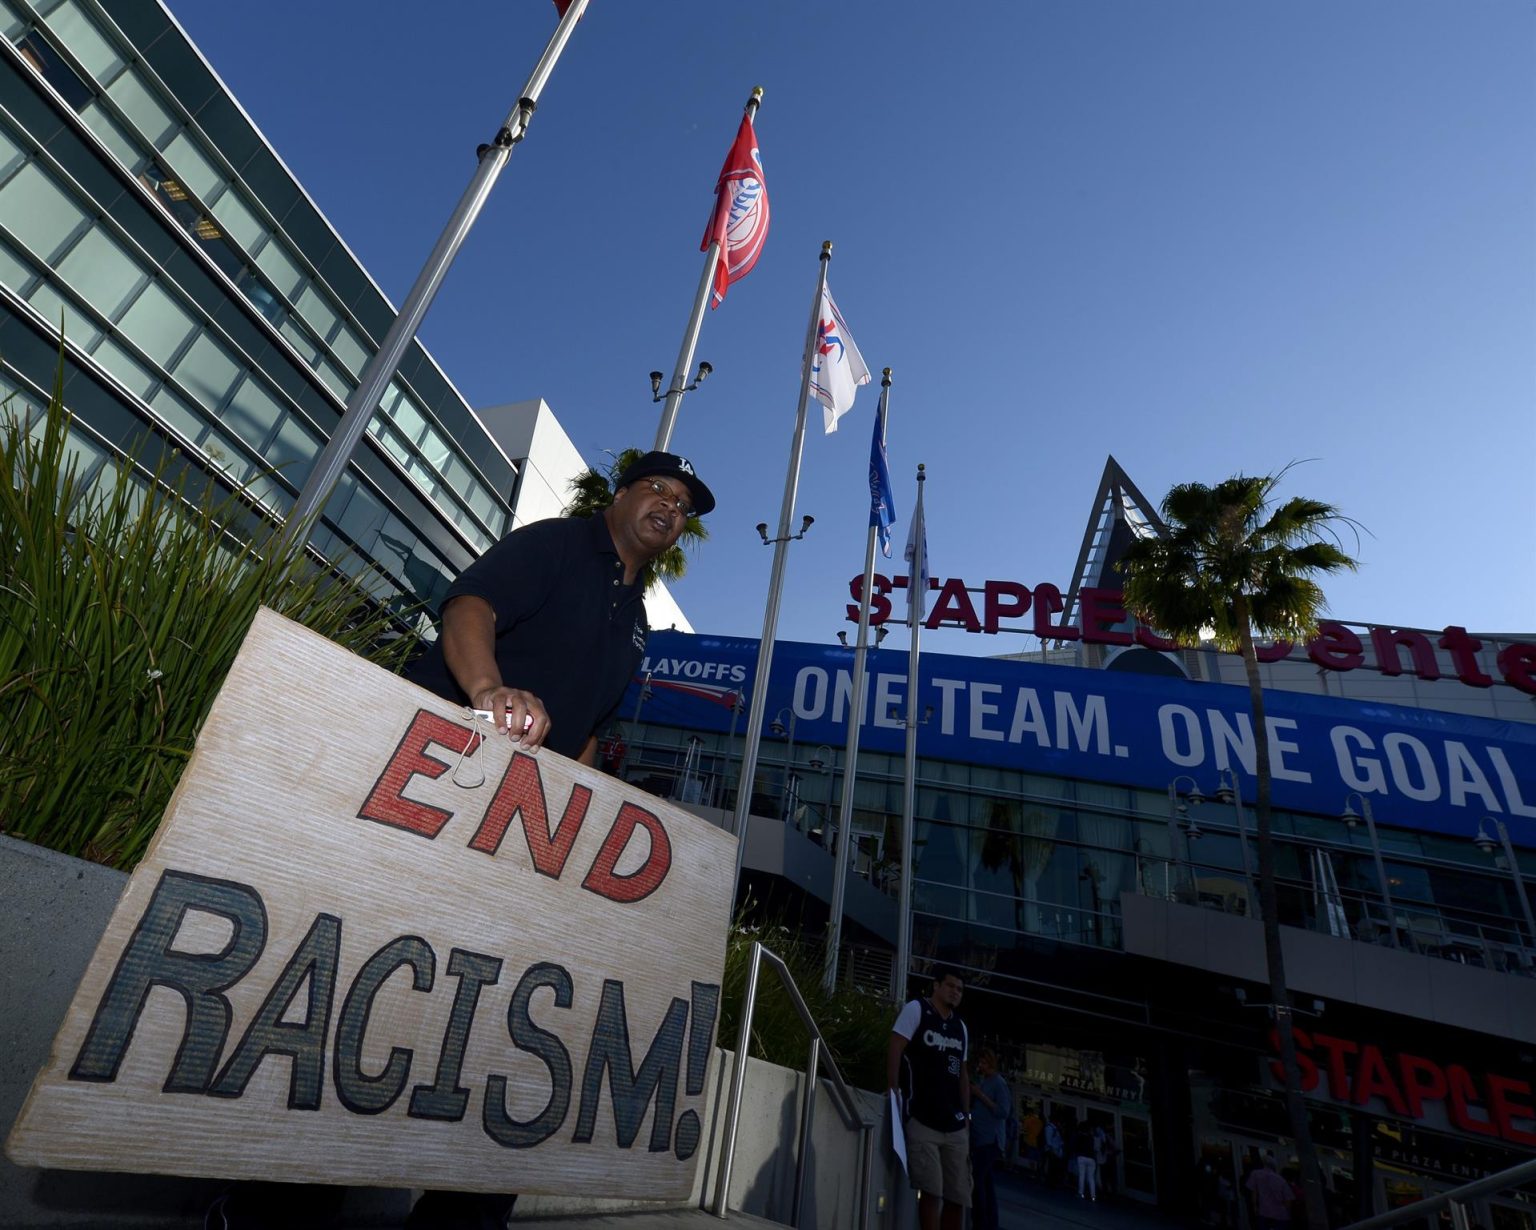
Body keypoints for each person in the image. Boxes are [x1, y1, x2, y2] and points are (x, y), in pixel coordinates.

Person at [208, 453, 713, 1230]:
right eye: (656, 489)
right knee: (359, 1000)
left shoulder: (638, 622)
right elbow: (470, 608)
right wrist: (488, 693)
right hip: (432, 791)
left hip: (511, 839)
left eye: (681, 504)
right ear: (620, 496)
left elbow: (583, 737)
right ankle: (268, 1208)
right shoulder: (556, 544)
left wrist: (574, 834)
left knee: (476, 1025)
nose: (668, 506)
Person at [888, 966, 971, 1230]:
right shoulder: (917, 1010)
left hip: (955, 1124)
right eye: (950, 986)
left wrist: (966, 1117)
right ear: (936, 985)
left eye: (959, 989)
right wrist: (893, 1091)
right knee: (931, 1192)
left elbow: (963, 1074)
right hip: (923, 1119)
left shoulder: (960, 1028)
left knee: (958, 1196)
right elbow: (895, 1048)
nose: (955, 992)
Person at [968, 1048, 1010, 1230]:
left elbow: (1003, 1111)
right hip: (980, 1138)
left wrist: (980, 1095)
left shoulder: (998, 1084)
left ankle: (981, 1223)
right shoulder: (984, 1081)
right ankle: (990, 1223)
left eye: (984, 1063)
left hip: (989, 1140)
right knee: (986, 1183)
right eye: (980, 1063)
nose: (981, 1066)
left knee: (977, 1181)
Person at [1245, 1155, 1295, 1230]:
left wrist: (1255, 1207)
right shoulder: (1281, 1180)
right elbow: (1288, 1201)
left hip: (1264, 1213)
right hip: (1281, 1216)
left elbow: (1253, 1192)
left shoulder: (1255, 1174)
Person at [1072, 1121, 1098, 1200]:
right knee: (1091, 1177)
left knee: (1082, 1175)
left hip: (1081, 1156)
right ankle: (1093, 1195)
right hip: (1091, 1158)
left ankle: (1081, 1193)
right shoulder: (1092, 1137)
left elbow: (1075, 1146)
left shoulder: (1079, 1137)